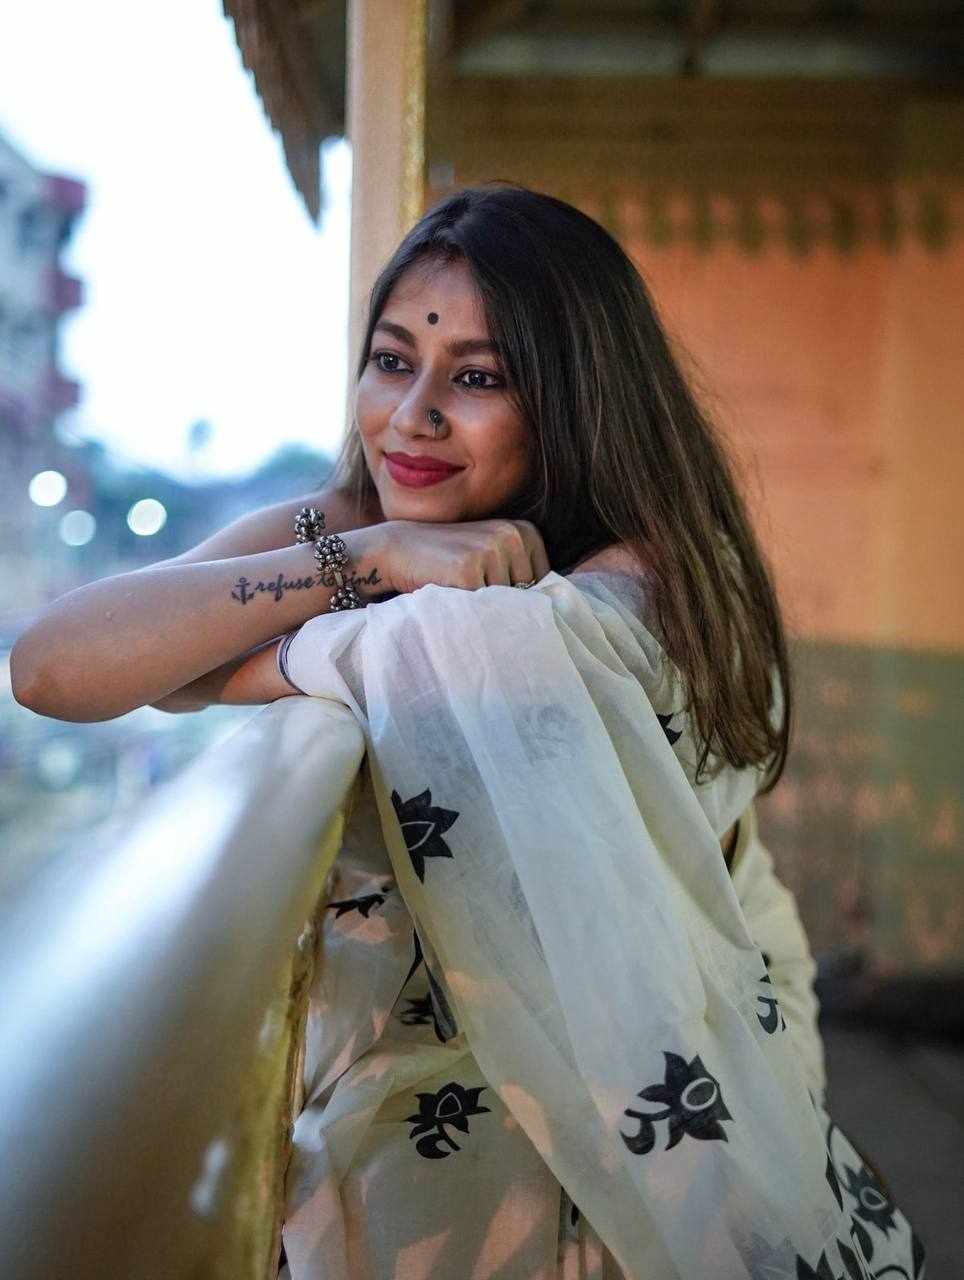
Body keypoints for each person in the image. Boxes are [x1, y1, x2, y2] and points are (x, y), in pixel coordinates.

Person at [11, 186, 923, 1279]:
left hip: (602, 1147)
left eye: (478, 378)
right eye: (392, 361)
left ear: (576, 399)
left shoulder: (646, 582)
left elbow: (432, 662)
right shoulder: (356, 525)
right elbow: (52, 664)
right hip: (431, 1140)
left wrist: (202, 659)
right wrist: (368, 557)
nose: (412, 416)